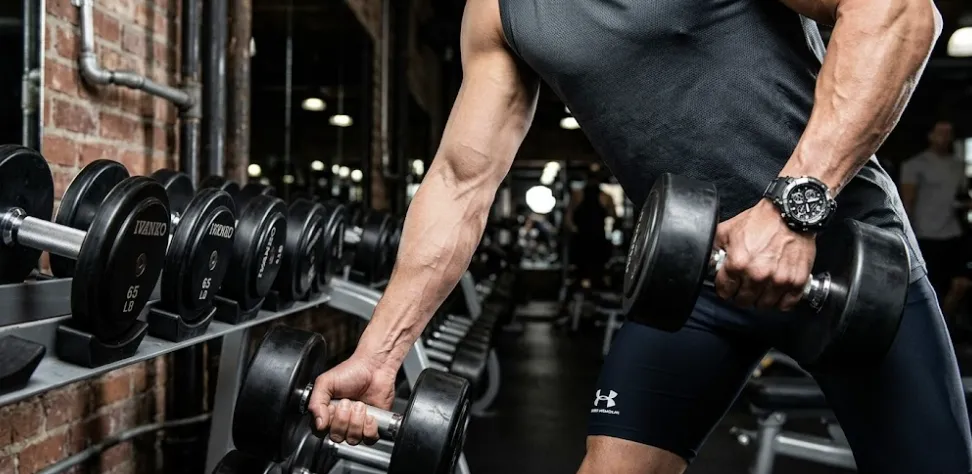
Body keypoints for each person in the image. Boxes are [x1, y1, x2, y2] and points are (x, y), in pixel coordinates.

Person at [309, 0, 971, 473]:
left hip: (849, 261)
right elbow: (460, 183)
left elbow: (900, 14)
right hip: (696, 282)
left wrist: (791, 211)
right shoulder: (500, 11)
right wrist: (380, 354)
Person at [900, 120, 972, 321]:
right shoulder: (915, 165)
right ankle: (935, 326)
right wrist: (907, 235)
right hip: (926, 234)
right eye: (940, 132)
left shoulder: (958, 165)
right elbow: (908, 201)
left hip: (954, 232)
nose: (945, 137)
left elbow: (960, 197)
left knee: (961, 284)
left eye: (949, 133)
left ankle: (945, 324)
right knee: (931, 287)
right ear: (930, 135)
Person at [566, 164, 617, 290]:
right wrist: (574, 230)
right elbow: (568, 217)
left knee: (596, 272)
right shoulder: (578, 195)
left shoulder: (605, 196)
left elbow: (614, 217)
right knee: (582, 272)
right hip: (583, 238)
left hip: (596, 238)